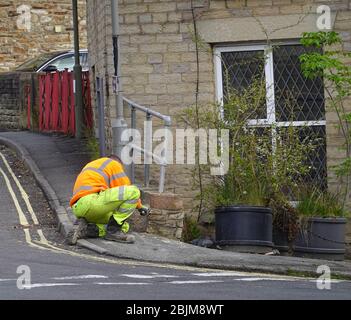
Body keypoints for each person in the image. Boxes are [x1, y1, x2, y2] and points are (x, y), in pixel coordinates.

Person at [68, 155, 150, 245]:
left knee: (124, 226)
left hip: (79, 208)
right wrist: (140, 207)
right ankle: (113, 232)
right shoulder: (114, 164)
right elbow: (124, 187)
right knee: (134, 191)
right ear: (118, 163)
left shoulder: (92, 166)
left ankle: (87, 229)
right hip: (92, 202)